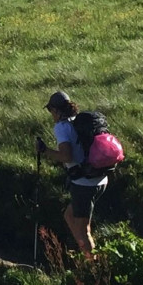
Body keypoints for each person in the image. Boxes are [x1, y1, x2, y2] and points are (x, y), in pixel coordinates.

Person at [36, 91, 106, 256]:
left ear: (56, 110)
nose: (51, 114)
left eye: (50, 110)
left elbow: (67, 156)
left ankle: (93, 263)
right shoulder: (79, 121)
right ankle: (85, 253)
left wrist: (45, 150)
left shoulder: (62, 127)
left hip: (84, 184)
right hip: (100, 177)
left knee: (84, 230)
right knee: (69, 215)